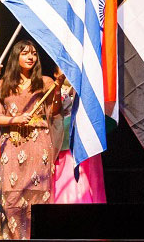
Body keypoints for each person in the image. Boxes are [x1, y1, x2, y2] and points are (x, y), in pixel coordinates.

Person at [0, 40, 63, 239]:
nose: (30, 57)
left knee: (37, 195)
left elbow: (55, 111)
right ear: (15, 57)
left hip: (38, 142)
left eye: (33, 53)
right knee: (10, 196)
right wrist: (15, 119)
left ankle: (37, 237)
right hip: (12, 143)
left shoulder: (45, 82)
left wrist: (57, 89)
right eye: (25, 53)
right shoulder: (2, 84)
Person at [49, 68, 106, 204]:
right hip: (65, 146)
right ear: (56, 74)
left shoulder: (85, 91)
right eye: (63, 69)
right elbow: (54, 113)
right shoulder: (55, 92)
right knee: (67, 181)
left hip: (86, 143)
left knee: (89, 179)